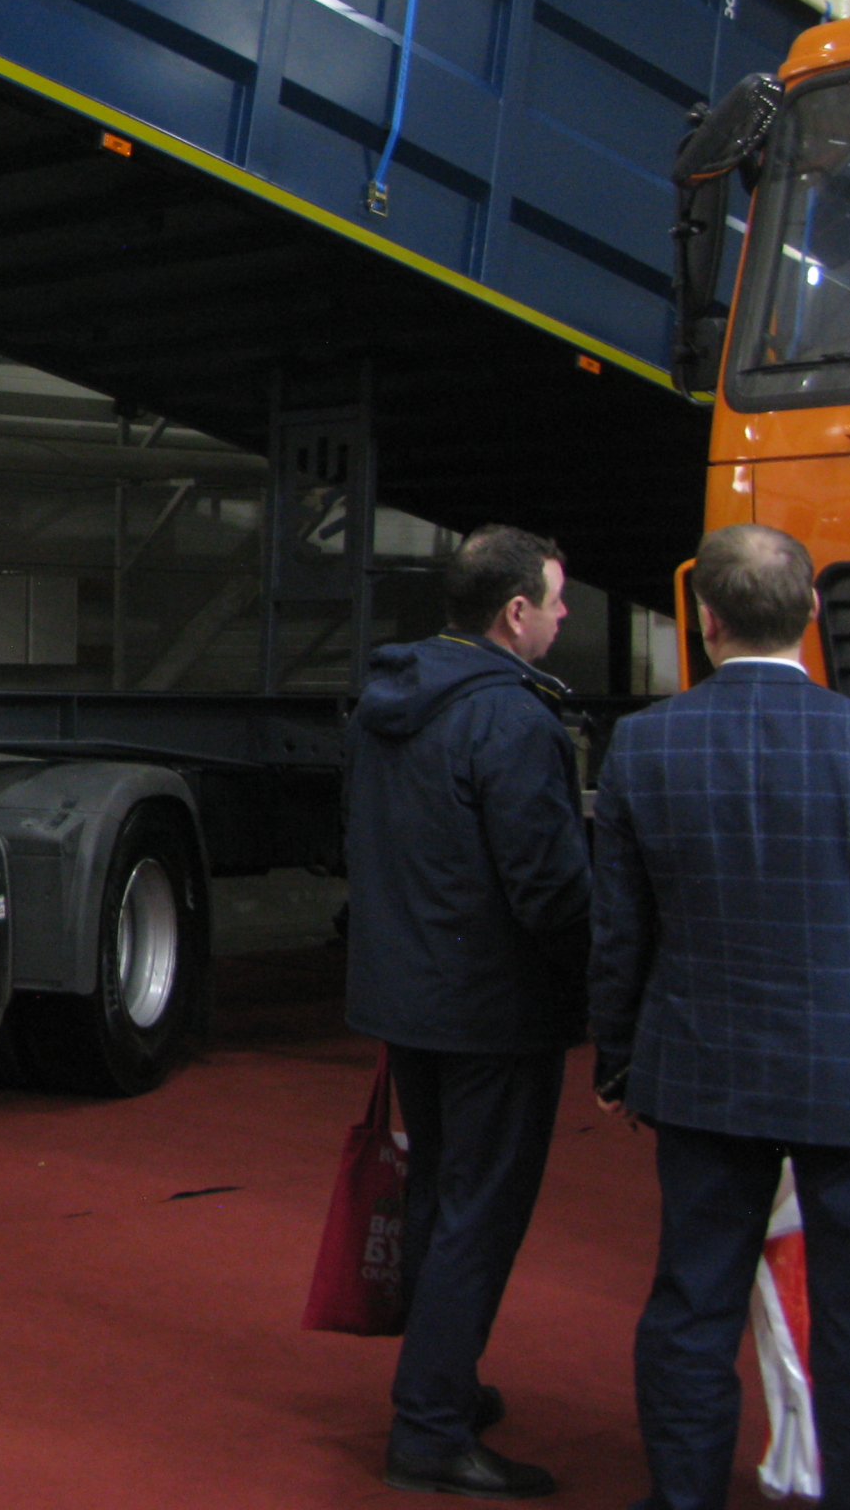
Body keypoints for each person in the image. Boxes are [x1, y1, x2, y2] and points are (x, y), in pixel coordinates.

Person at [592, 523, 850, 1510]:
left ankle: (684, 1496)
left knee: (692, 1302)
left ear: (702, 620)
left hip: (703, 1064)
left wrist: (617, 1060)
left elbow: (620, 931)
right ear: (812, 611)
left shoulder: (644, 744)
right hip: (845, 1069)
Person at [345, 524, 591, 1499]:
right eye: (557, 602)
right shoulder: (513, 721)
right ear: (515, 612)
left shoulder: (386, 701)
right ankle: (430, 1426)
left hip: (408, 997)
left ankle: (441, 1382)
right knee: (479, 1213)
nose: (563, 617)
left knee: (442, 1195)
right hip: (495, 1007)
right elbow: (549, 889)